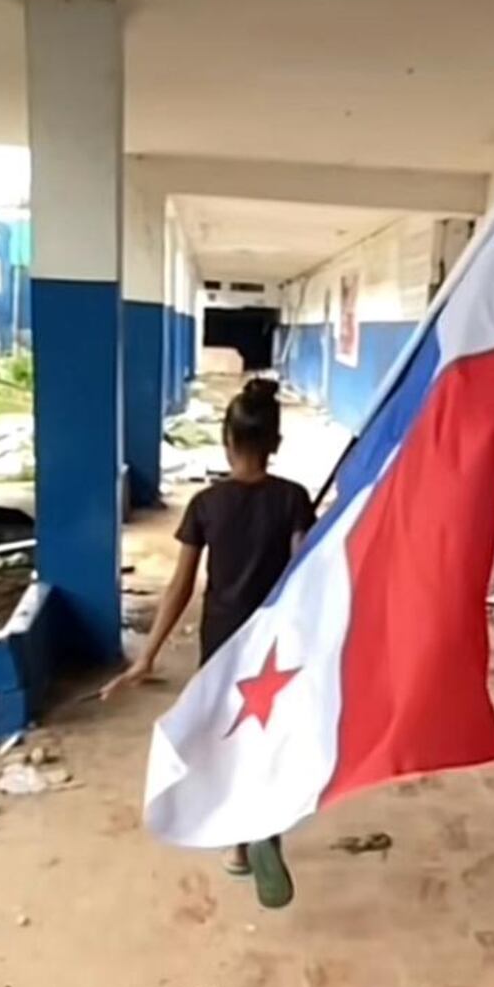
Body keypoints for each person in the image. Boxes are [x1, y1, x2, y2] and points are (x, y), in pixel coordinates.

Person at [102, 377, 314, 908]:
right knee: (273, 734)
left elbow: (179, 587)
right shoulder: (293, 498)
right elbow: (305, 573)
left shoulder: (205, 504)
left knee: (229, 736)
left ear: (226, 441)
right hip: (274, 645)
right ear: (276, 444)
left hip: (223, 640)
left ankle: (239, 847)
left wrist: (146, 656)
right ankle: (269, 820)